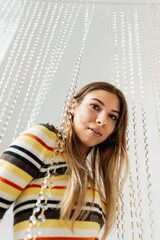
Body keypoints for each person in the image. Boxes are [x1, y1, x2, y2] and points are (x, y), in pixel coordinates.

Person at [0, 81, 129, 240]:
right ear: (73, 107)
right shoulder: (46, 140)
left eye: (113, 116)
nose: (102, 120)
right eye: (95, 106)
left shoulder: (97, 184)